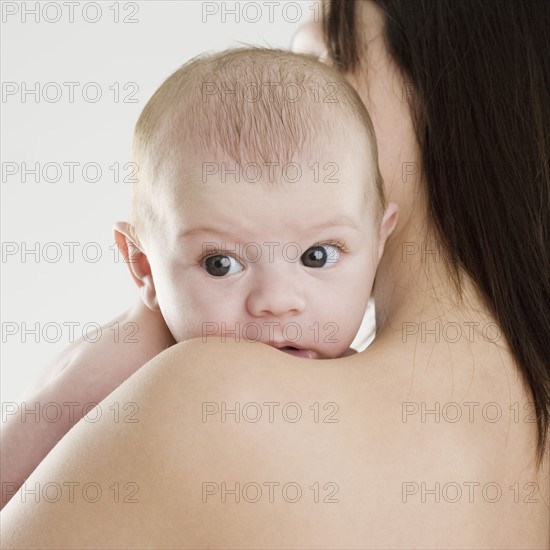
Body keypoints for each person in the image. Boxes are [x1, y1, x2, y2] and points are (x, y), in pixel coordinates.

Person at [1, 1, 548, 548]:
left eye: (320, 56)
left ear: (462, 90)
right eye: (220, 264)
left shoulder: (220, 401)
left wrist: (85, 372)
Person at [0, 48, 397, 509]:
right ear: (143, 267)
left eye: (317, 255)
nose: (277, 300)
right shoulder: (127, 362)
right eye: (220, 264)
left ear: (378, 244)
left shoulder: (362, 372)